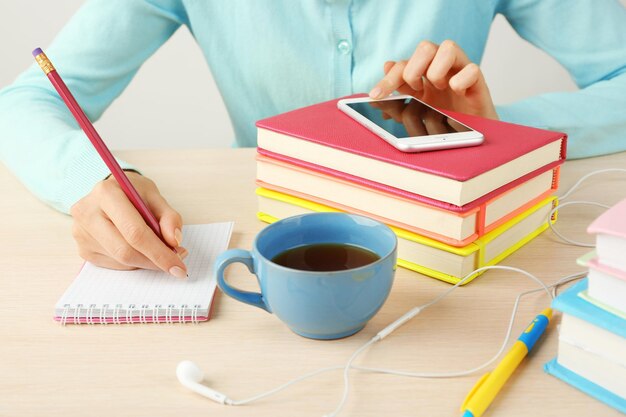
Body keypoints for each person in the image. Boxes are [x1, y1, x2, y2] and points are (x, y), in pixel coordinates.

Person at [1, 1, 625, 278]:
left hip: (447, 259)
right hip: (273, 251)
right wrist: (94, 178)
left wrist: (492, 134)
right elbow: (24, 100)